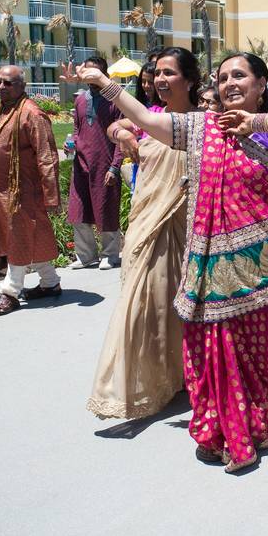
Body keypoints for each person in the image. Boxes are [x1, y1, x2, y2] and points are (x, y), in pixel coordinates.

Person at [71, 52, 268, 473]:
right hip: (214, 273)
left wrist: (253, 123)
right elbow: (148, 123)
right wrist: (104, 85)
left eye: (240, 76)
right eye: (223, 78)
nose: (229, 84)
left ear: (261, 84)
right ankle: (227, 422)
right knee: (217, 350)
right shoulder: (203, 128)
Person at [87, 48, 198, 420]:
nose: (161, 80)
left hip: (185, 225)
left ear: (191, 80)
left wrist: (105, 85)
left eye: (170, 73)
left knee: (172, 302)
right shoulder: (154, 117)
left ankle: (180, 374)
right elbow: (118, 124)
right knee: (143, 301)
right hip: (146, 222)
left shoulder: (202, 121)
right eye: (158, 74)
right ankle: (147, 381)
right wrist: (121, 133)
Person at [0, 65, 61, 317]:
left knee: (19, 238)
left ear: (21, 86)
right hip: (1, 191)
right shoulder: (3, 109)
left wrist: (51, 195)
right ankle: (50, 283)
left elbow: (47, 156)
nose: (1, 87)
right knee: (31, 237)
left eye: (8, 83)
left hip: (22, 191)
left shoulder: (31, 113)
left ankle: (10, 292)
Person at [65, 56, 123, 271]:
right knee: (78, 209)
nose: (90, 76)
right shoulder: (80, 99)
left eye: (95, 72)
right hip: (81, 163)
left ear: (104, 74)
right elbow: (78, 127)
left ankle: (110, 254)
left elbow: (121, 135)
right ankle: (86, 255)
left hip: (104, 163)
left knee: (105, 208)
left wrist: (115, 166)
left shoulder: (114, 101)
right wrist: (72, 142)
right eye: (87, 71)